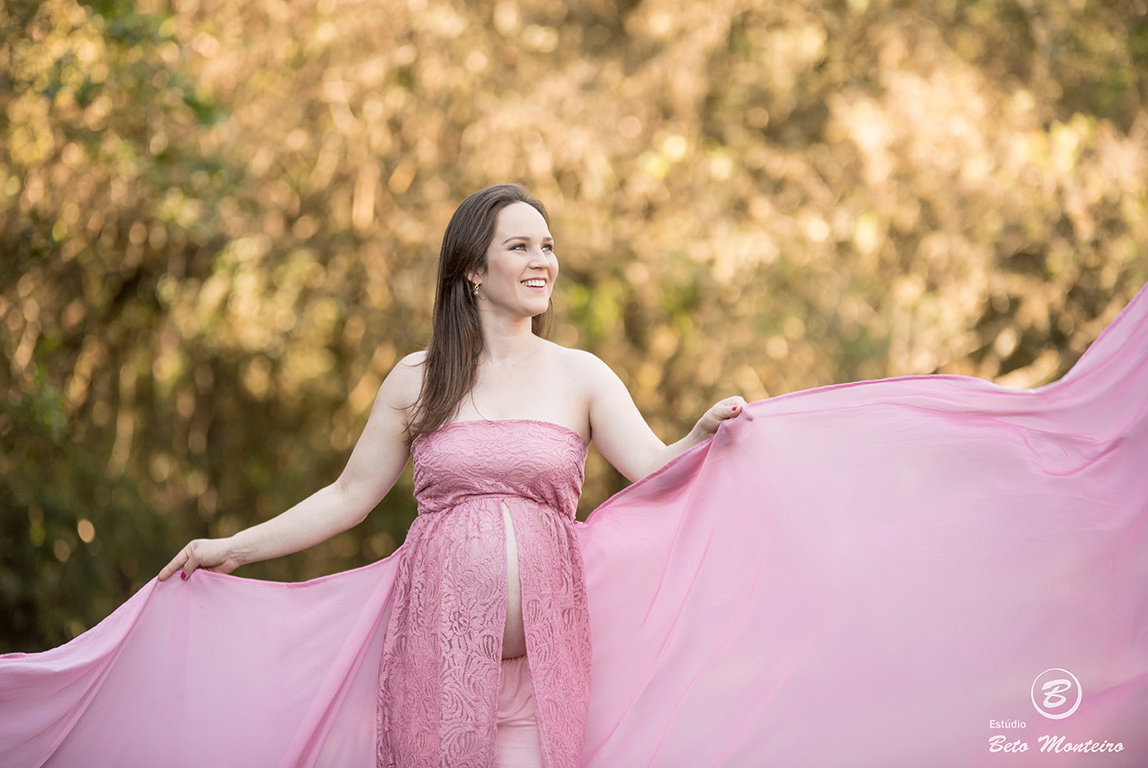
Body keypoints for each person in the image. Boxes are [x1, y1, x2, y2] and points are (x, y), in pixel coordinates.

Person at [158, 183, 746, 768]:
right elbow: (346, 497)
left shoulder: (581, 375)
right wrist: (234, 548)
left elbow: (650, 467)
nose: (542, 262)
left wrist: (698, 437)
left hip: (544, 678)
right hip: (437, 668)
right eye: (520, 247)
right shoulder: (418, 379)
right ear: (472, 268)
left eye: (547, 246)